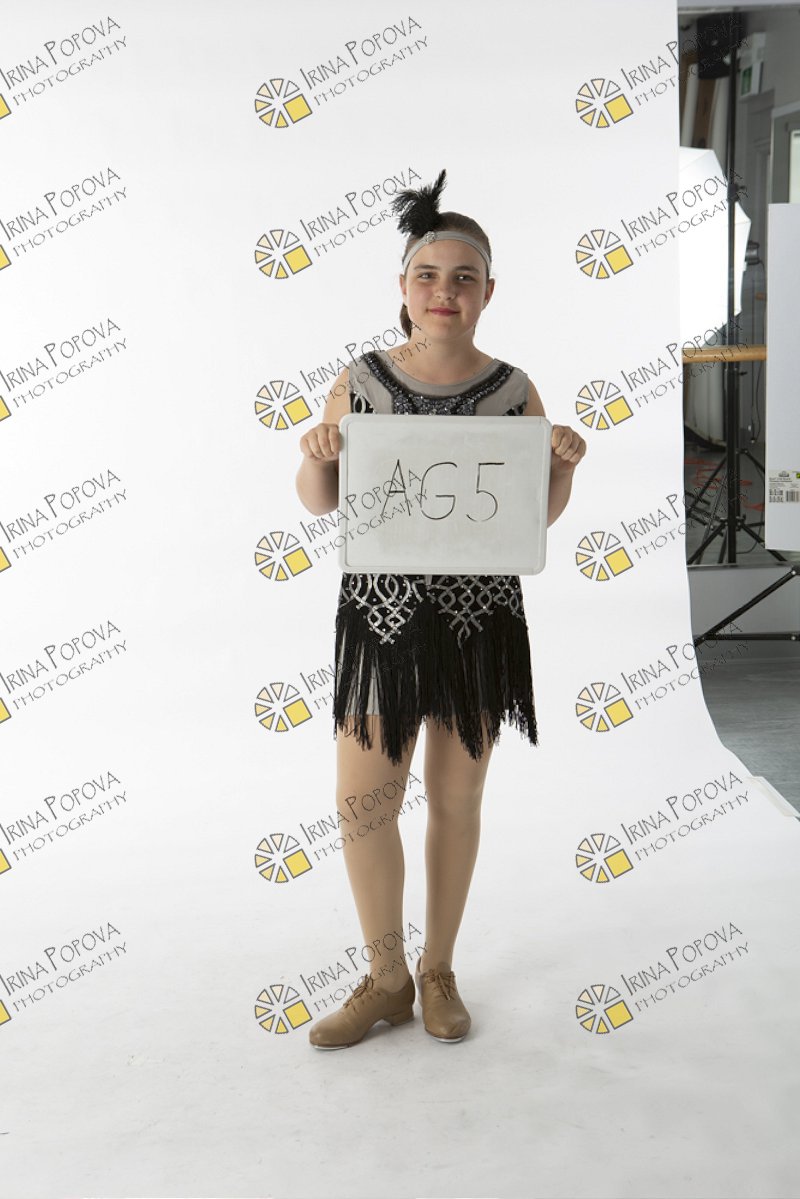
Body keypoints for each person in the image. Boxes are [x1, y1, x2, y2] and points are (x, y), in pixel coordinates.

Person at [294, 169, 586, 1050]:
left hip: (474, 621)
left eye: (464, 277)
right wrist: (317, 452)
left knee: (456, 797)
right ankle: (384, 975)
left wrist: (560, 466)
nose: (444, 291)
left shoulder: (513, 389)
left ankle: (437, 970)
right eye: (428, 275)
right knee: (364, 801)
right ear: (404, 286)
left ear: (489, 291)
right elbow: (321, 501)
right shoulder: (362, 379)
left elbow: (530, 519)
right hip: (381, 618)